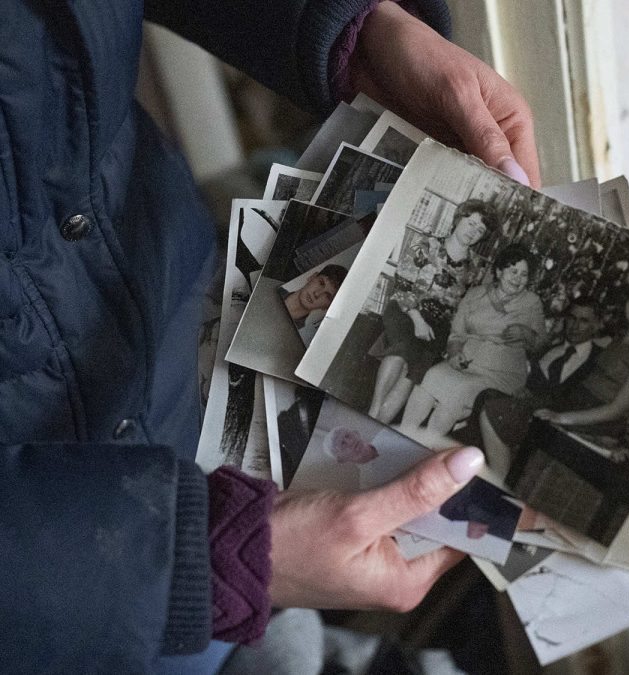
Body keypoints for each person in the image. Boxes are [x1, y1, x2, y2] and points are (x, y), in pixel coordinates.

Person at [0, 1, 539, 671]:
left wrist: (343, 28)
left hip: (160, 319)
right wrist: (204, 557)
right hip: (61, 584)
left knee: (252, 622)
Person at [485, 280, 629, 456]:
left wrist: (561, 417)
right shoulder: (622, 337)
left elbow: (618, 409)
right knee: (496, 406)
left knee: (499, 414)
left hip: (600, 421)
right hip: (575, 402)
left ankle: (500, 478)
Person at [368, 199, 497, 423]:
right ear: (459, 219)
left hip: (440, 326)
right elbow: (403, 284)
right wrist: (417, 320)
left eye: (480, 230)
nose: (473, 231)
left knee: (417, 368)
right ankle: (373, 413)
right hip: (405, 309)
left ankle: (377, 423)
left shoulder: (476, 269)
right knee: (405, 347)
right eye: (471, 223)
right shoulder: (426, 244)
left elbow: (467, 310)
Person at [402, 244, 546, 436]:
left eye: (524, 274)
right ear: (499, 271)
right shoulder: (476, 294)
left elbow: (541, 344)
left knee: (458, 392)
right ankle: (399, 438)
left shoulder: (531, 302)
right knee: (432, 376)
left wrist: (527, 333)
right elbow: (457, 333)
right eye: (513, 271)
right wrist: (454, 353)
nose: (518, 279)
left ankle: (423, 446)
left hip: (502, 373)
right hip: (466, 363)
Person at [470, 298, 605, 476]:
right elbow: (527, 379)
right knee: (486, 395)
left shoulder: (598, 360)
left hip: (551, 421)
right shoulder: (551, 349)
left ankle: (497, 477)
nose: (575, 326)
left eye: (584, 321)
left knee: (494, 409)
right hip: (523, 411)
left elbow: (579, 399)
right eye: (572, 318)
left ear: (596, 326)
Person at [281, 263, 349, 329]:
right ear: (312, 276)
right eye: (321, 283)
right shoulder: (272, 286)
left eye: (327, 296)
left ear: (327, 307)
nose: (317, 294)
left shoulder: (295, 336)